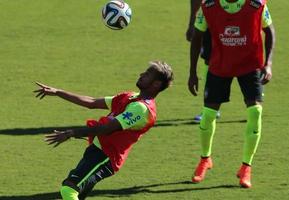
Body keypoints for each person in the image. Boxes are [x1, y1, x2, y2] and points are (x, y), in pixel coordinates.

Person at [34, 61, 173, 199]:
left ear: (156, 84)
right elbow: (92, 102)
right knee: (76, 193)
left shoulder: (142, 110)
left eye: (148, 74)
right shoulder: (130, 97)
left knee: (69, 190)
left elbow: (107, 129)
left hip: (106, 157)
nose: (142, 74)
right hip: (96, 150)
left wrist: (72, 133)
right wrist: (58, 92)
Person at [188, 0, 275, 188]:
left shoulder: (256, 5)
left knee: (255, 112)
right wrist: (192, 72)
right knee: (208, 114)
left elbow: (270, 32)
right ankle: (205, 159)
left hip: (250, 65)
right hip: (220, 65)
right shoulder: (208, 6)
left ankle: (246, 167)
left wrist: (268, 64)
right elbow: (197, 36)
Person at [186, 0, 220, 122]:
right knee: (210, 59)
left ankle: (255, 101)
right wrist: (192, 23)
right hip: (213, 13)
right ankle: (209, 108)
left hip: (241, 11)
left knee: (246, 53)